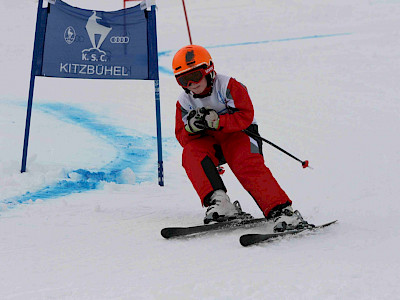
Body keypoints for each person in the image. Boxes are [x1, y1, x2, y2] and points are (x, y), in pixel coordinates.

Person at [172, 45, 305, 228]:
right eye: (184, 80)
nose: (191, 84)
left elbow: (246, 115)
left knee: (246, 163)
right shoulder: (184, 101)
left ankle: (282, 211)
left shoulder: (227, 86)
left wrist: (219, 121)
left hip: (240, 133)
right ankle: (220, 203)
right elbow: (182, 136)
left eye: (195, 76)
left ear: (208, 70)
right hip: (212, 142)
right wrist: (192, 128)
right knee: (191, 154)